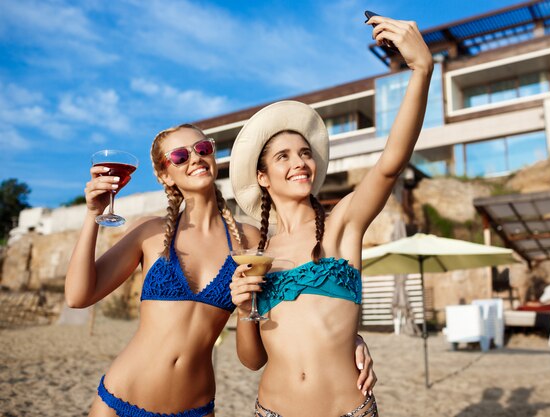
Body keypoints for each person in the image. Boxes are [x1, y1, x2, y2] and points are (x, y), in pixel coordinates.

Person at [65, 123, 376, 417]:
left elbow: (293, 306)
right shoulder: (150, 232)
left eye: (202, 147)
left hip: (195, 407)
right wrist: (93, 215)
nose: (195, 158)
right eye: (179, 156)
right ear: (166, 175)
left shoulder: (251, 240)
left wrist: (350, 338)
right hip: (121, 399)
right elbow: (78, 296)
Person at [228, 14, 433, 417]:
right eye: (283, 157)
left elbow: (390, 164)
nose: (300, 162)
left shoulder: (342, 224)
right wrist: (243, 310)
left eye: (305, 153)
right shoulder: (256, 248)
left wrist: (421, 69)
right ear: (262, 176)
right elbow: (252, 361)